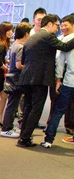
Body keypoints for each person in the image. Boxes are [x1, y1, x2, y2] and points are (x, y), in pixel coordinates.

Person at [17, 14, 74, 147]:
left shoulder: (32, 37)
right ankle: (25, 137)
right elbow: (64, 47)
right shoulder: (48, 36)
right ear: (49, 24)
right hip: (40, 78)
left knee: (28, 107)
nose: (58, 29)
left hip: (27, 77)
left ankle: (23, 135)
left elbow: (24, 59)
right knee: (36, 108)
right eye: (57, 26)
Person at [42, 14, 74, 147]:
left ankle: (49, 139)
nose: (63, 27)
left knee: (58, 110)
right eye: (61, 25)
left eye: (66, 25)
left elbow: (59, 62)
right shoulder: (61, 39)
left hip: (68, 81)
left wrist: (58, 79)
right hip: (69, 80)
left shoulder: (63, 40)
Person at [0, 22, 32, 138]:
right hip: (16, 79)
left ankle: (7, 127)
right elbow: (19, 65)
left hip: (12, 77)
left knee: (12, 104)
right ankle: (6, 128)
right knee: (13, 104)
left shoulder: (14, 45)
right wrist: (30, 67)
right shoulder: (20, 47)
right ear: (26, 34)